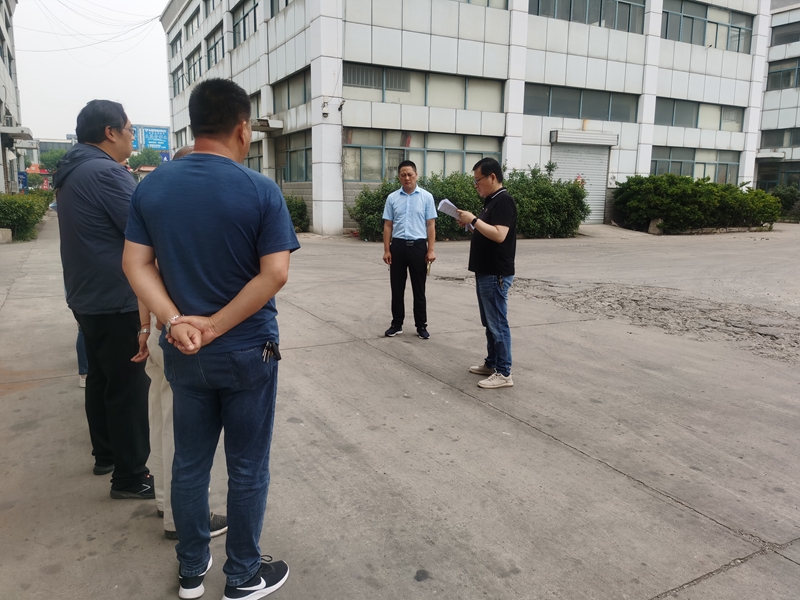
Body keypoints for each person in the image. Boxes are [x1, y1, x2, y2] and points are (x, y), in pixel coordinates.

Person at [123, 78, 298, 600]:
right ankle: (242, 576)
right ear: (243, 129)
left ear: (193, 125)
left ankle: (191, 570)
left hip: (184, 354)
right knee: (247, 467)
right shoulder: (260, 190)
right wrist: (217, 325)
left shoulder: (152, 188)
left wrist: (176, 321)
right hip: (248, 352)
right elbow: (275, 274)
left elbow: (135, 264)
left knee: (190, 463)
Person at [54, 99, 154, 496]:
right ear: (110, 132)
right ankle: (131, 477)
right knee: (128, 388)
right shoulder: (106, 172)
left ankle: (107, 454)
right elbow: (143, 228)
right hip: (116, 297)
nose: (132, 139)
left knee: (100, 378)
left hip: (87, 295)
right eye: (129, 131)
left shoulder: (72, 170)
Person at [141, 144, 228, 541]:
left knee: (162, 418)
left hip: (159, 329)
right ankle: (183, 518)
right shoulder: (187, 214)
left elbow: (141, 274)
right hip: (181, 333)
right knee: (182, 430)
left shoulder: (154, 206)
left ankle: (165, 500)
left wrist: (144, 328)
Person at [456, 157, 517, 389]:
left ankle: (504, 372)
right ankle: (492, 363)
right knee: (489, 321)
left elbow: (500, 235)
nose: (476, 185)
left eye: (478, 180)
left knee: (498, 323)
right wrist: (471, 224)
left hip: (495, 272)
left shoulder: (504, 201)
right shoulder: (491, 201)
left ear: (492, 177)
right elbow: (488, 231)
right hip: (485, 271)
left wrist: (473, 219)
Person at [382, 160, 436, 339]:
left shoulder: (426, 197)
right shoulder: (392, 198)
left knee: (419, 289)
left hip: (418, 247)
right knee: (397, 288)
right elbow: (388, 225)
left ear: (416, 175)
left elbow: (430, 225)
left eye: (410, 174)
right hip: (397, 247)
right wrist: (387, 250)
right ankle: (396, 324)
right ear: (399, 177)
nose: (407, 178)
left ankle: (421, 326)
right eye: (403, 175)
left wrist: (431, 250)